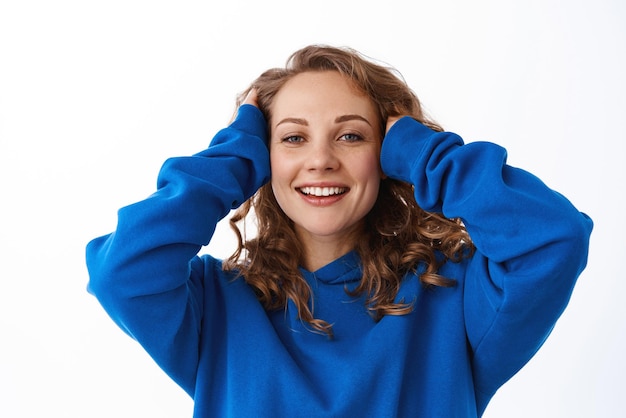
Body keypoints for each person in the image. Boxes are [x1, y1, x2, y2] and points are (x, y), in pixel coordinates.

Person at [86, 45, 593, 417]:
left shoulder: (456, 296)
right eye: (293, 138)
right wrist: (235, 156)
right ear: (264, 157)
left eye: (351, 135)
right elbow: (122, 272)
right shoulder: (212, 304)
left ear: (387, 154)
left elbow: (553, 237)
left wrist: (423, 153)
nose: (321, 159)